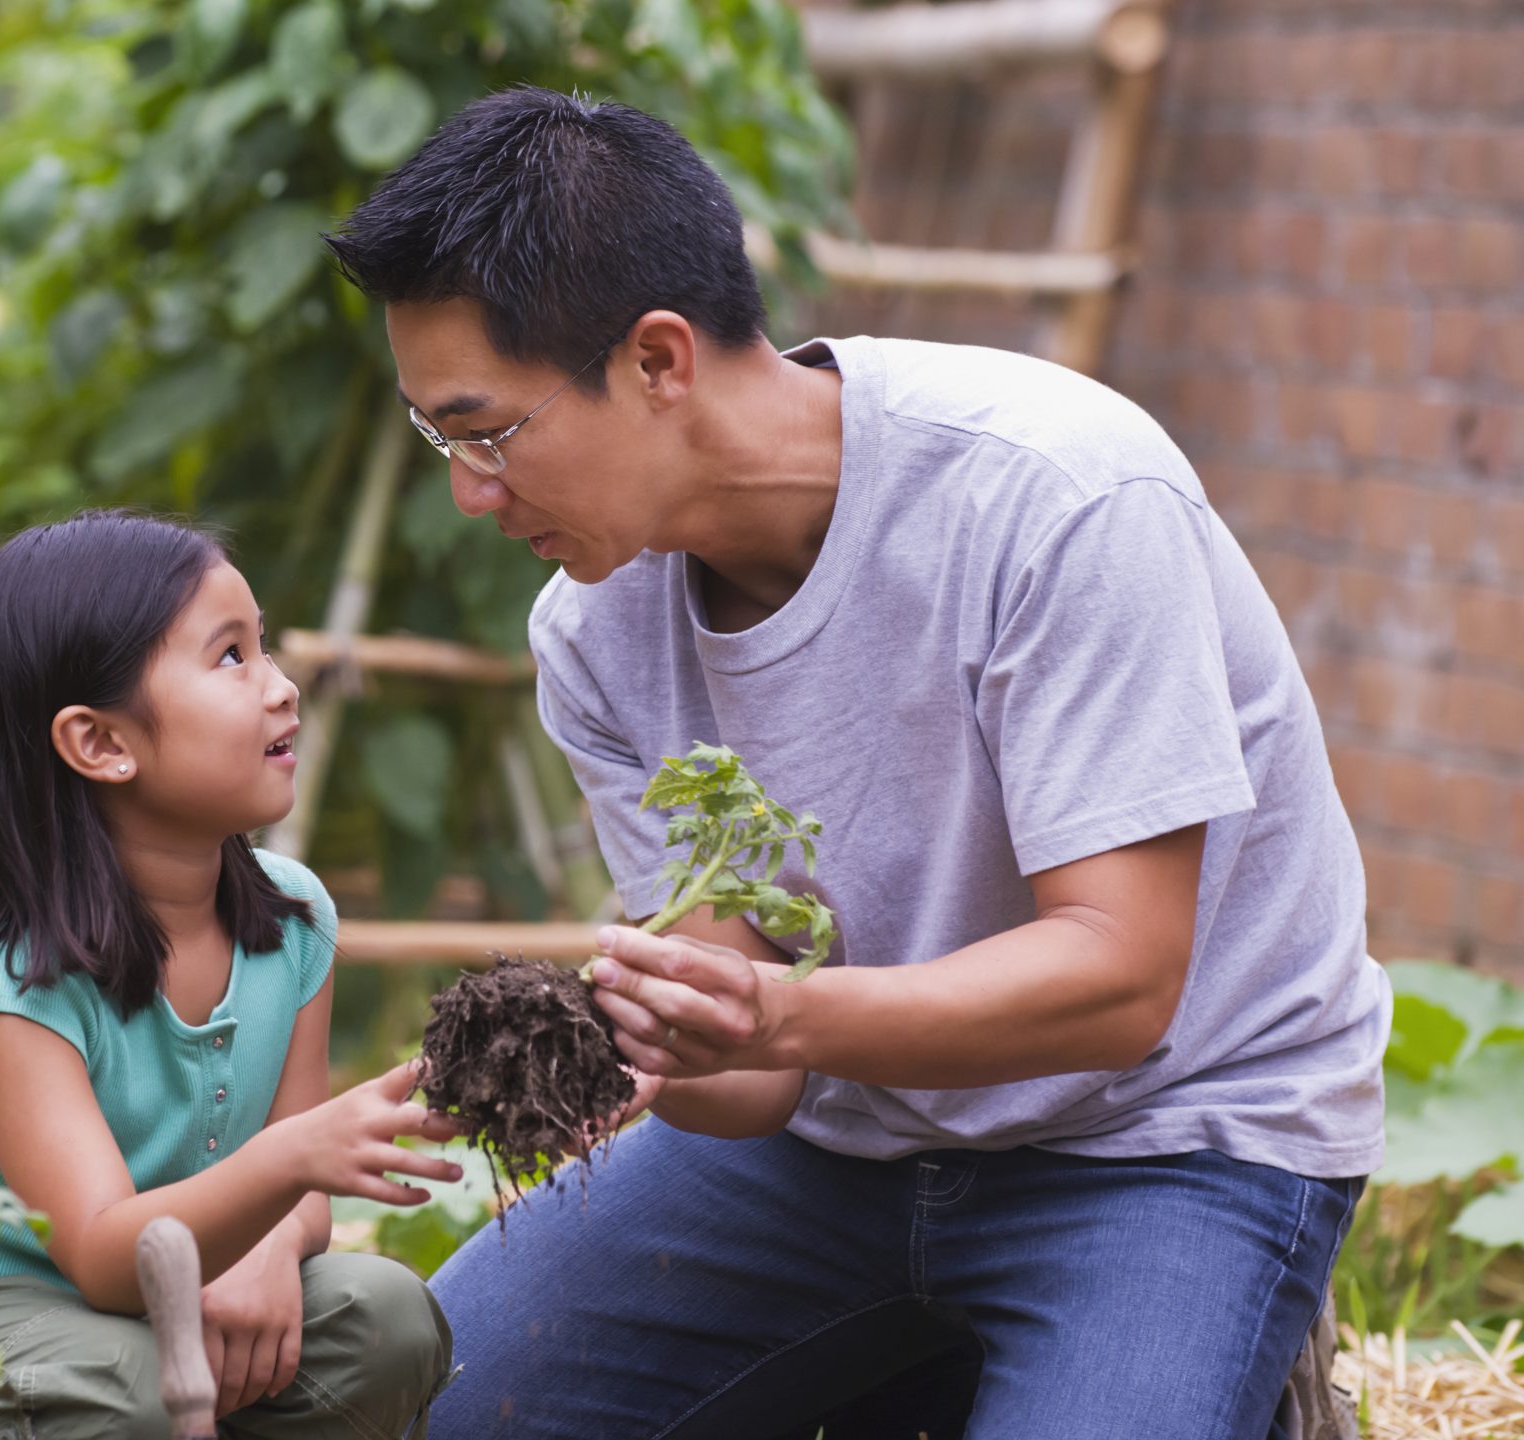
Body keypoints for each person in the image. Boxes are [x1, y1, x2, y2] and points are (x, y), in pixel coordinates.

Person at [324, 87, 1388, 1439]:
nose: (470, 493)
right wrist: (666, 1039)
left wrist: (776, 1020)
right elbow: (759, 1069)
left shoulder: (1048, 498)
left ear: (658, 361)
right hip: (842, 1155)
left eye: (490, 433)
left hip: (1166, 1145)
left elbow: (1121, 982)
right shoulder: (594, 630)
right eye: (442, 441)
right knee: (428, 1411)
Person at [0, 511, 457, 1440]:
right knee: (129, 1389)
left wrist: (272, 1238)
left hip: (153, 1312)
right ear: (100, 743)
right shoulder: (15, 980)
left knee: (383, 1316)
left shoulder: (294, 922)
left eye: (264, 647)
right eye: (232, 657)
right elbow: (107, 1253)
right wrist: (291, 1163)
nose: (284, 689)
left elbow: (300, 1199)